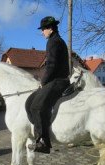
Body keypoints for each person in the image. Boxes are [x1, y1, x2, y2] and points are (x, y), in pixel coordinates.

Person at [25, 16, 70, 154]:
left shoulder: (53, 41)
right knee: (30, 101)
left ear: (50, 29)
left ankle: (43, 141)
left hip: (58, 81)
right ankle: (40, 132)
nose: (42, 32)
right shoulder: (57, 40)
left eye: (43, 29)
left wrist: (43, 82)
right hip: (57, 80)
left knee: (36, 106)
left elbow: (51, 65)